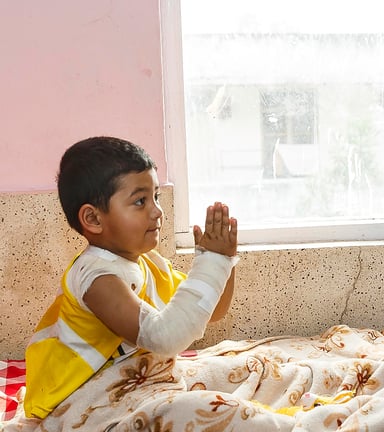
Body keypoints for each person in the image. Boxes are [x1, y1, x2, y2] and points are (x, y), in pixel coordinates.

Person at [23, 136, 240, 419]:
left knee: (246, 370)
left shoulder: (148, 263)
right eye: (140, 201)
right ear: (93, 219)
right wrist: (211, 264)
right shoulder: (96, 278)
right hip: (87, 402)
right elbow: (164, 337)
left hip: (138, 386)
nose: (158, 211)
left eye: (156, 197)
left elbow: (211, 312)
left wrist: (223, 262)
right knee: (215, 411)